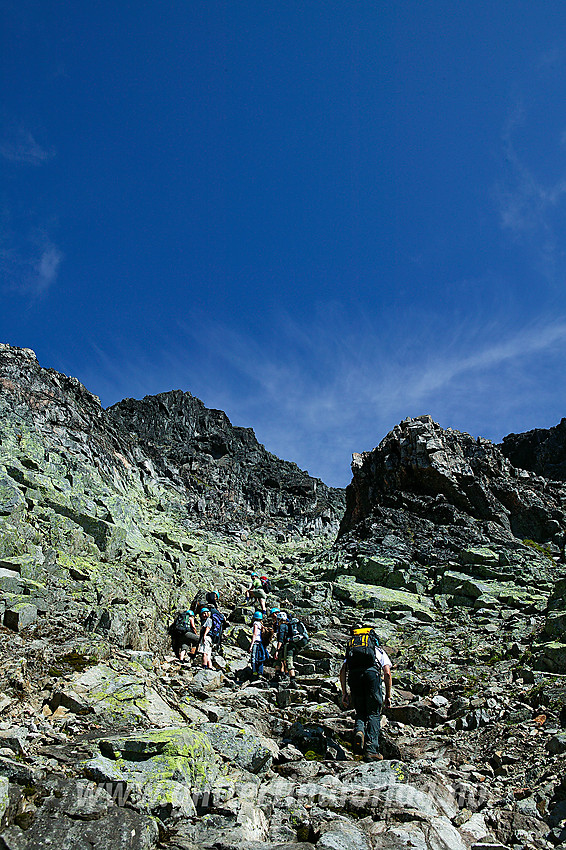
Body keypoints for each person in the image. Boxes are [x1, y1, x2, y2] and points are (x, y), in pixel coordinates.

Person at [340, 625, 392, 761]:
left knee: (360, 711)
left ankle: (359, 731)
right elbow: (387, 673)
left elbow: (343, 671)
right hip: (372, 677)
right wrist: (388, 695)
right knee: (374, 713)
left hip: (354, 678)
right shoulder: (378, 650)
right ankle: (371, 750)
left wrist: (344, 692)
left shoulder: (352, 651)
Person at [249, 611, 267, 680]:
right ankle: (260, 674)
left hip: (256, 642)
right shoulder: (261, 624)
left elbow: (255, 634)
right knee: (260, 658)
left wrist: (251, 644)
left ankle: (254, 673)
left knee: (254, 658)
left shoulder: (255, 624)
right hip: (261, 643)